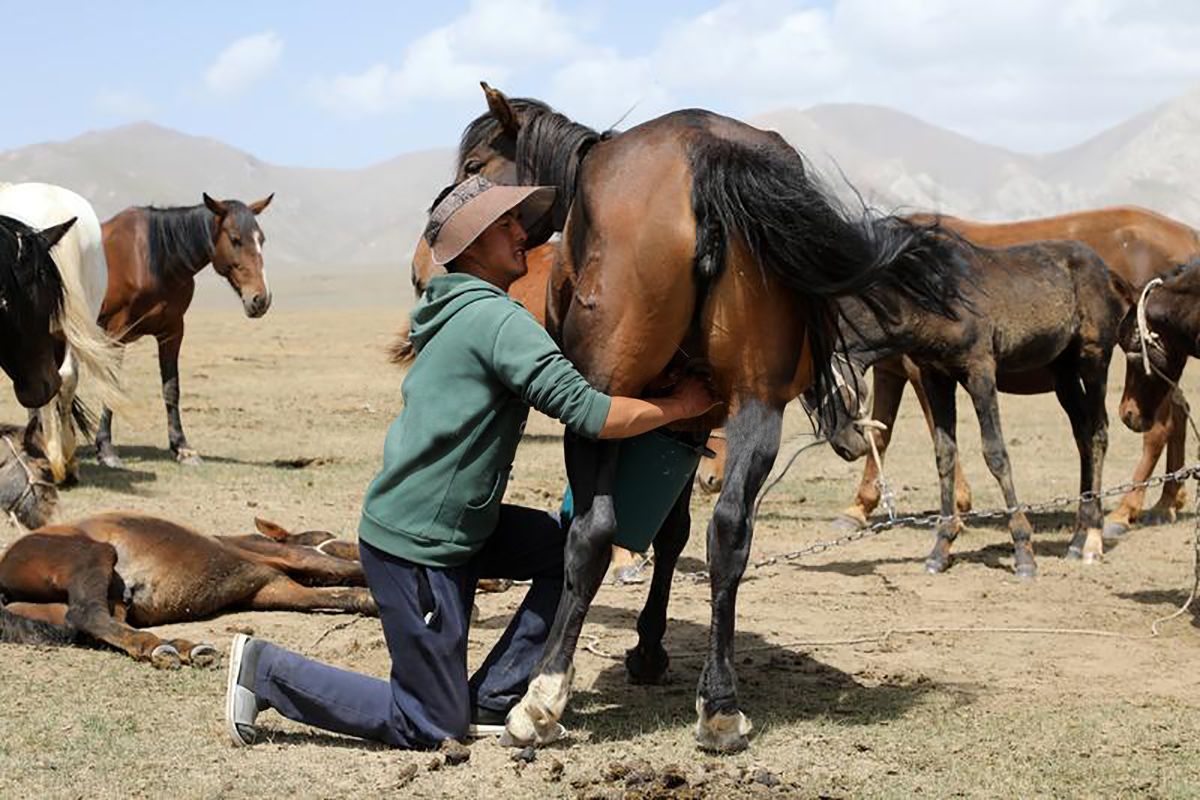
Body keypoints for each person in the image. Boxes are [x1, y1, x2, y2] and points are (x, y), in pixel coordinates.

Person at [224, 175, 718, 749]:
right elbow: (588, 412)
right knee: (429, 725)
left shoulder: (460, 308)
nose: (522, 233)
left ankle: (491, 698)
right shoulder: (496, 322)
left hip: (458, 525)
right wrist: (678, 405)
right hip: (421, 547)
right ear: (471, 246)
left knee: (571, 551)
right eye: (504, 225)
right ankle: (266, 672)